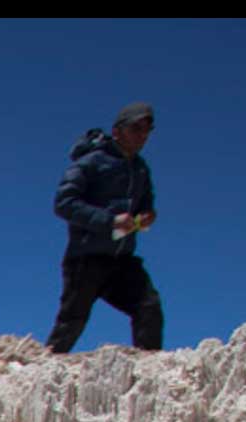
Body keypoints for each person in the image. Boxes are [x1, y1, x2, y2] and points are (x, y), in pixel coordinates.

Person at [45, 102, 162, 354]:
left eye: (147, 130)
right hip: (86, 258)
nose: (142, 135)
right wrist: (109, 221)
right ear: (117, 131)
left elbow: (146, 202)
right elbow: (64, 204)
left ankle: (150, 376)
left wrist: (146, 216)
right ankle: (42, 376)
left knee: (148, 307)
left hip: (122, 259)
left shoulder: (140, 169)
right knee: (72, 321)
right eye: (136, 128)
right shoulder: (90, 162)